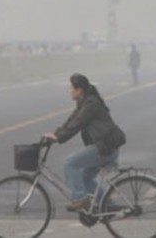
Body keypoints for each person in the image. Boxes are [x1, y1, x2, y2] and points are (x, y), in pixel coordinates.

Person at [43, 74, 125, 212]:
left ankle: (80, 199)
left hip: (104, 149)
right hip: (104, 147)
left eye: (71, 88)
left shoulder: (91, 104)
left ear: (79, 89)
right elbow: (72, 120)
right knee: (84, 178)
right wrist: (56, 134)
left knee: (70, 162)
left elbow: (77, 124)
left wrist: (59, 138)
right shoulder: (84, 102)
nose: (69, 90)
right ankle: (108, 205)